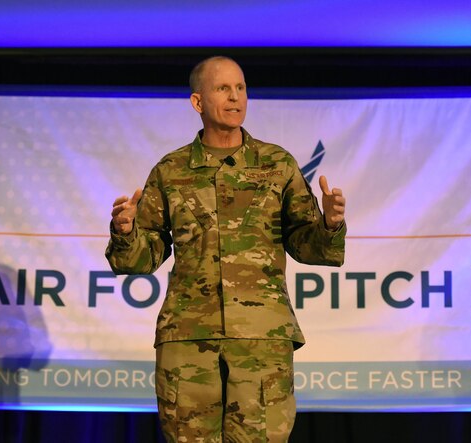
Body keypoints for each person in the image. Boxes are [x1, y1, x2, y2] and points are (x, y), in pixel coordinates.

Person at [106, 56, 346, 443]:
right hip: (188, 338)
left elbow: (307, 244)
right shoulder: (171, 170)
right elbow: (141, 258)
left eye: (241, 88)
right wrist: (125, 231)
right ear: (198, 102)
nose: (235, 97)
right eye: (222, 89)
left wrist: (330, 225)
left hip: (261, 338)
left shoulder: (277, 165)